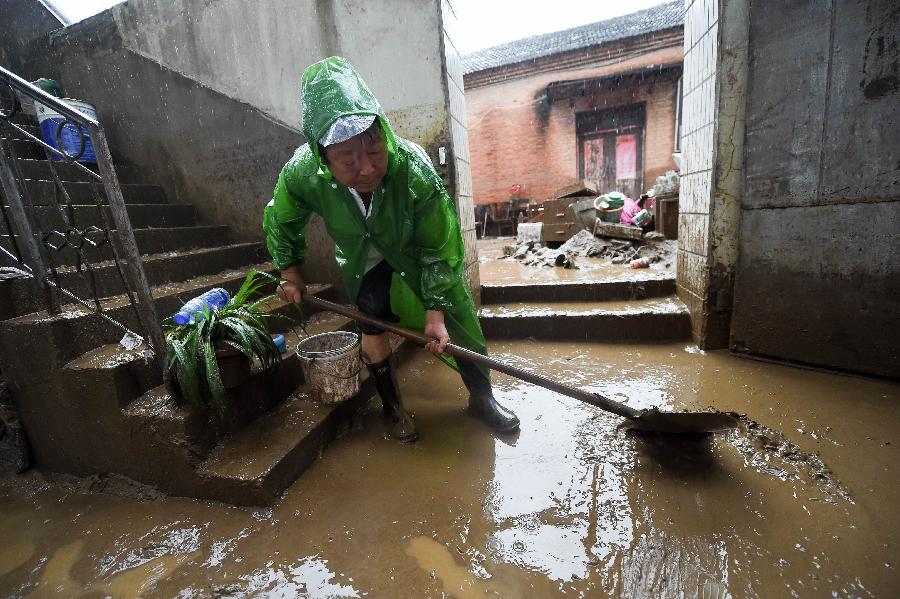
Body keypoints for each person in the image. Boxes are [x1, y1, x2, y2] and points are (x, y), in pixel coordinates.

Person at [263, 56, 519, 443]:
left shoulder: (412, 168)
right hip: (364, 258)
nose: (365, 168)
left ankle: (482, 398)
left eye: (373, 149)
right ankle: (393, 407)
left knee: (457, 314)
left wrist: (435, 313)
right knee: (371, 321)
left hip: (415, 250)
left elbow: (439, 244)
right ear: (323, 158)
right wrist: (290, 271)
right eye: (347, 159)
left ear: (383, 132)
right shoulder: (303, 173)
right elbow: (281, 218)